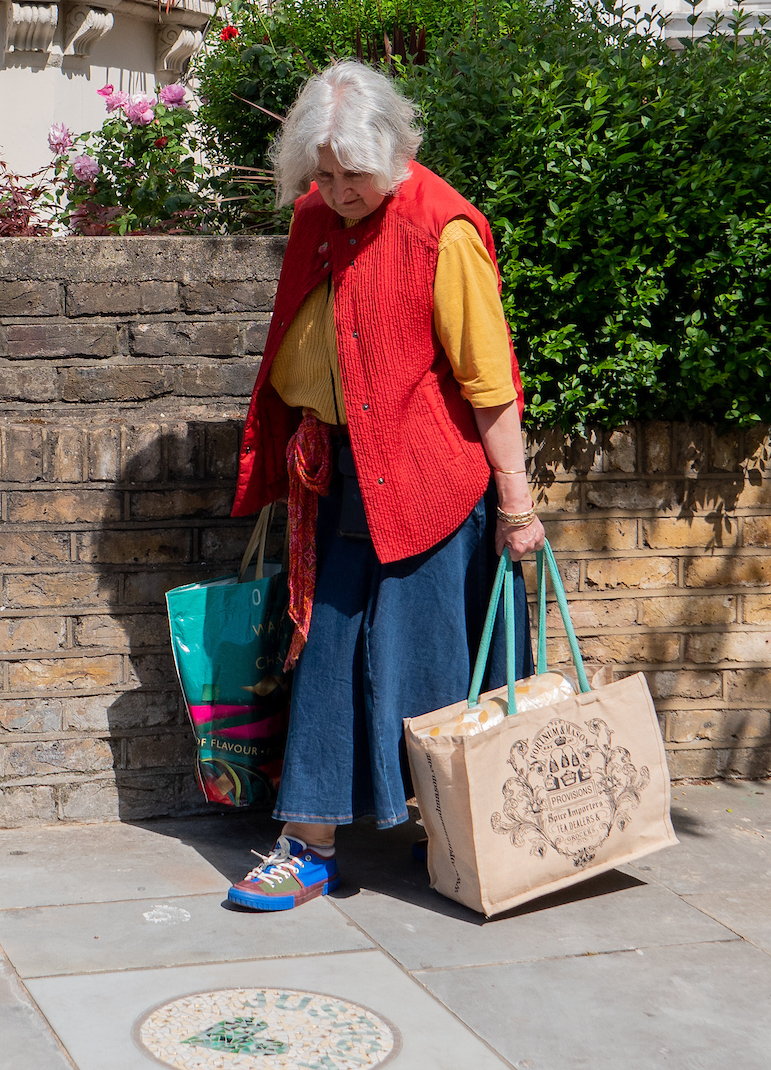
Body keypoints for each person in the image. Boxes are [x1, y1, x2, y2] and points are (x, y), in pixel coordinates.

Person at [224, 61, 542, 912]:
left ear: (399, 152)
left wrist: (516, 501)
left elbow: (490, 379)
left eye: (353, 175)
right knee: (331, 652)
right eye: (322, 176)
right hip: (339, 475)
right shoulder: (314, 218)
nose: (337, 192)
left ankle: (466, 836)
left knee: (431, 659)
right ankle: (312, 843)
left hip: (430, 478)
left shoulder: (445, 230)